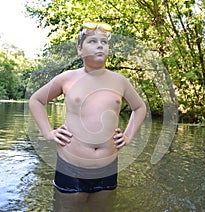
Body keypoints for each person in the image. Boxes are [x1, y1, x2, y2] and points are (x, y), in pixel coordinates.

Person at [29, 21, 146, 211]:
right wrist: (48, 133)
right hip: (71, 164)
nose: (100, 45)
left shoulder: (120, 81)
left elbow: (139, 108)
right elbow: (36, 101)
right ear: (80, 50)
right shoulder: (67, 78)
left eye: (104, 42)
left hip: (107, 165)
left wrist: (128, 136)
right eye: (92, 41)